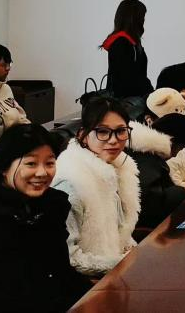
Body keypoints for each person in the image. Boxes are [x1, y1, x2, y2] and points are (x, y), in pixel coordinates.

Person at [0, 124, 91, 311]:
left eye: (49, 163)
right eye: (31, 163)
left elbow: (61, 271)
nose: (42, 173)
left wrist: (98, 296)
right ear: (4, 167)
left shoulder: (52, 205)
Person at [51, 98, 140, 276]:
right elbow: (69, 257)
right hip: (88, 283)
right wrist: (122, 264)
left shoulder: (114, 170)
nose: (114, 140)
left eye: (121, 131)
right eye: (102, 132)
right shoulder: (71, 182)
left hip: (116, 274)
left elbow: (121, 232)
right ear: (83, 135)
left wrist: (135, 256)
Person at [128, 89, 185, 228]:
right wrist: (182, 191)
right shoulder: (147, 158)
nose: (175, 155)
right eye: (178, 149)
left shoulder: (146, 151)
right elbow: (151, 204)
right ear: (172, 142)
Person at [100, 0, 153, 117]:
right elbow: (126, 80)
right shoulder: (121, 43)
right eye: (142, 17)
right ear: (134, 18)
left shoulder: (129, 42)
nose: (143, 20)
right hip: (128, 103)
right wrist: (150, 94)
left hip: (132, 98)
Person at [0, 43, 30, 128]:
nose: (8, 68)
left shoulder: (5, 87)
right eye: (3, 65)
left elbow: (21, 117)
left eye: (9, 64)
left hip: (19, 130)